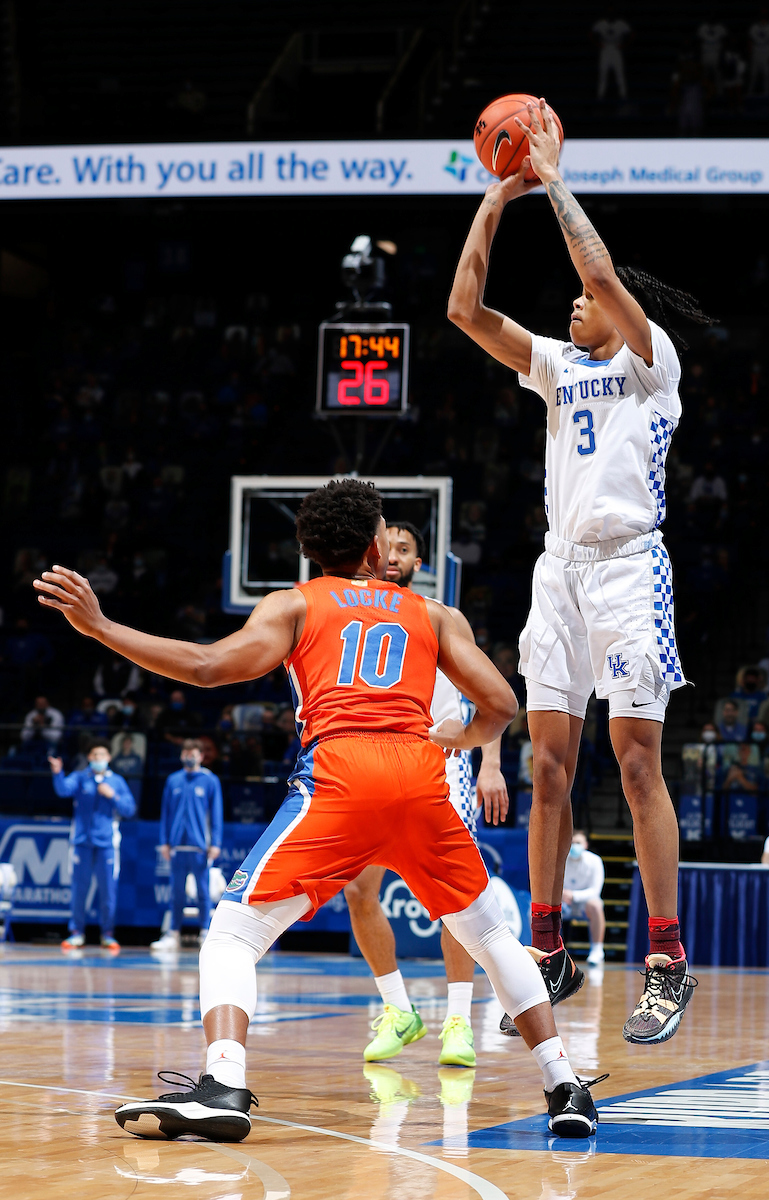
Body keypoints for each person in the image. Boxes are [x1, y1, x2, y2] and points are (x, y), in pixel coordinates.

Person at [35, 480, 602, 1141]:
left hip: (340, 779)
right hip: (422, 781)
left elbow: (208, 666)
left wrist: (101, 626)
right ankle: (564, 1085)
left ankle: (222, 1081)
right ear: (372, 547)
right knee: (491, 938)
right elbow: (502, 703)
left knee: (231, 936)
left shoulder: (295, 605)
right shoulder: (434, 615)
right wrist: (462, 739)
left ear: (308, 553)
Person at [447, 99, 711, 1046]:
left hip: (630, 571)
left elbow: (596, 266)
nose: (573, 300)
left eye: (586, 298)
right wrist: (493, 198)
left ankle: (668, 960)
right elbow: (463, 312)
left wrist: (552, 177)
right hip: (558, 573)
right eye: (571, 299)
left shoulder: (652, 363)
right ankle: (548, 942)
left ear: (621, 309)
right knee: (547, 768)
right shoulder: (557, 365)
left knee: (637, 762)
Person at [343, 522, 509, 1069]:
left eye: (404, 549)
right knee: (358, 891)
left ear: (420, 563)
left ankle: (458, 1021)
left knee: (455, 901)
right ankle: (399, 1011)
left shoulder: (436, 616)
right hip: (377, 765)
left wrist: (491, 763)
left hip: (444, 760)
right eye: (386, 546)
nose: (392, 555)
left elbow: (487, 696)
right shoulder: (352, 609)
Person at [48, 738, 137, 950]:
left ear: (109, 758)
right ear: (89, 758)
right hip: (82, 843)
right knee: (80, 889)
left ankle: (107, 933)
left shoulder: (117, 782)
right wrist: (57, 773)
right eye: (95, 755)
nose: (98, 759)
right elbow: (63, 790)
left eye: (102, 755)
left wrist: (112, 795)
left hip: (106, 844)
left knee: (108, 890)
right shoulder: (80, 778)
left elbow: (129, 809)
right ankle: (77, 932)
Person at [151, 738, 223, 950]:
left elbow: (216, 814)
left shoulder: (210, 780)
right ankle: (173, 933)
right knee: (176, 892)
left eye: (194, 753)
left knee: (203, 891)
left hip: (200, 846)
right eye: (186, 753)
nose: (189, 756)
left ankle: (205, 931)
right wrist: (164, 842)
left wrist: (216, 842)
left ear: (201, 756)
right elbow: (165, 813)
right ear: (181, 755)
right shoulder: (173, 780)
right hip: (176, 846)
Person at [562, 830, 606, 967]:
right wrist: (562, 894)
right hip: (564, 903)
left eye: (578, 843)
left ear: (585, 844)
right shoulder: (561, 859)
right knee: (547, 906)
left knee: (596, 905)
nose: (575, 846)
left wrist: (574, 895)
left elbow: (595, 891)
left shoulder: (595, 861)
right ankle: (553, 950)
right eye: (572, 843)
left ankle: (597, 951)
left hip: (584, 904)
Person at [592, 13, 631, 100]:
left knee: (620, 74)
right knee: (603, 74)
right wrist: (598, 44)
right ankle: (600, 97)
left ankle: (623, 96)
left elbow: (631, 33)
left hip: (616, 50)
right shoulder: (601, 23)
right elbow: (591, 33)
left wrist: (624, 45)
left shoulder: (620, 23)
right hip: (605, 50)